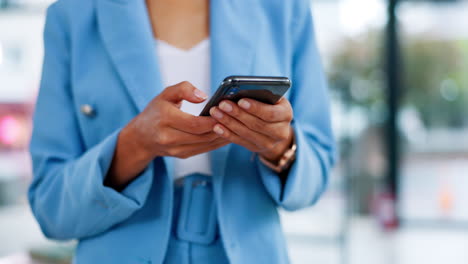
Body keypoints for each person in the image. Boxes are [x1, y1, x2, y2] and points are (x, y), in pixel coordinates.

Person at [28, 0, 336, 263]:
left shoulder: (283, 9)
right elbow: (50, 206)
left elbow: (317, 174)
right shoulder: (73, 16)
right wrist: (133, 146)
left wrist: (281, 146)